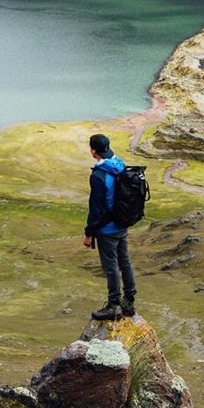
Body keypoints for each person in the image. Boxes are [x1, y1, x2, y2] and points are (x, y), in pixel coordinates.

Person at [83, 132, 137, 321]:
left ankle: (113, 305)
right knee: (125, 262)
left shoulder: (99, 175)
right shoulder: (119, 164)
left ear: (93, 150)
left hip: (107, 229)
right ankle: (129, 301)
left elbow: (96, 208)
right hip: (122, 222)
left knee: (111, 266)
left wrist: (89, 233)